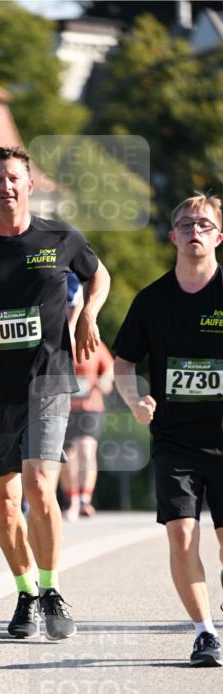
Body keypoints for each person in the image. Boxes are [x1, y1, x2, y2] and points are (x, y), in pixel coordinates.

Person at [0, 145, 110, 640]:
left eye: (15, 178)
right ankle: (26, 592)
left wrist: (88, 315)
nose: (7, 187)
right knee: (5, 503)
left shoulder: (60, 237)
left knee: (38, 486)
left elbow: (99, 275)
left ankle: (53, 589)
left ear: (29, 185)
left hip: (48, 381)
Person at [114, 192, 223, 667]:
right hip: (176, 439)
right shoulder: (153, 300)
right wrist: (135, 400)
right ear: (172, 235)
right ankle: (204, 633)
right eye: (185, 224)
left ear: (219, 236)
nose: (193, 231)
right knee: (181, 534)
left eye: (203, 224)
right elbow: (122, 361)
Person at [60, 276, 115, 520]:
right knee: (67, 455)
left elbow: (111, 368)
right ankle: (71, 500)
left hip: (90, 406)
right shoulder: (57, 341)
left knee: (86, 450)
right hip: (63, 407)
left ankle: (85, 499)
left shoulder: (94, 340)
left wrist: (104, 381)